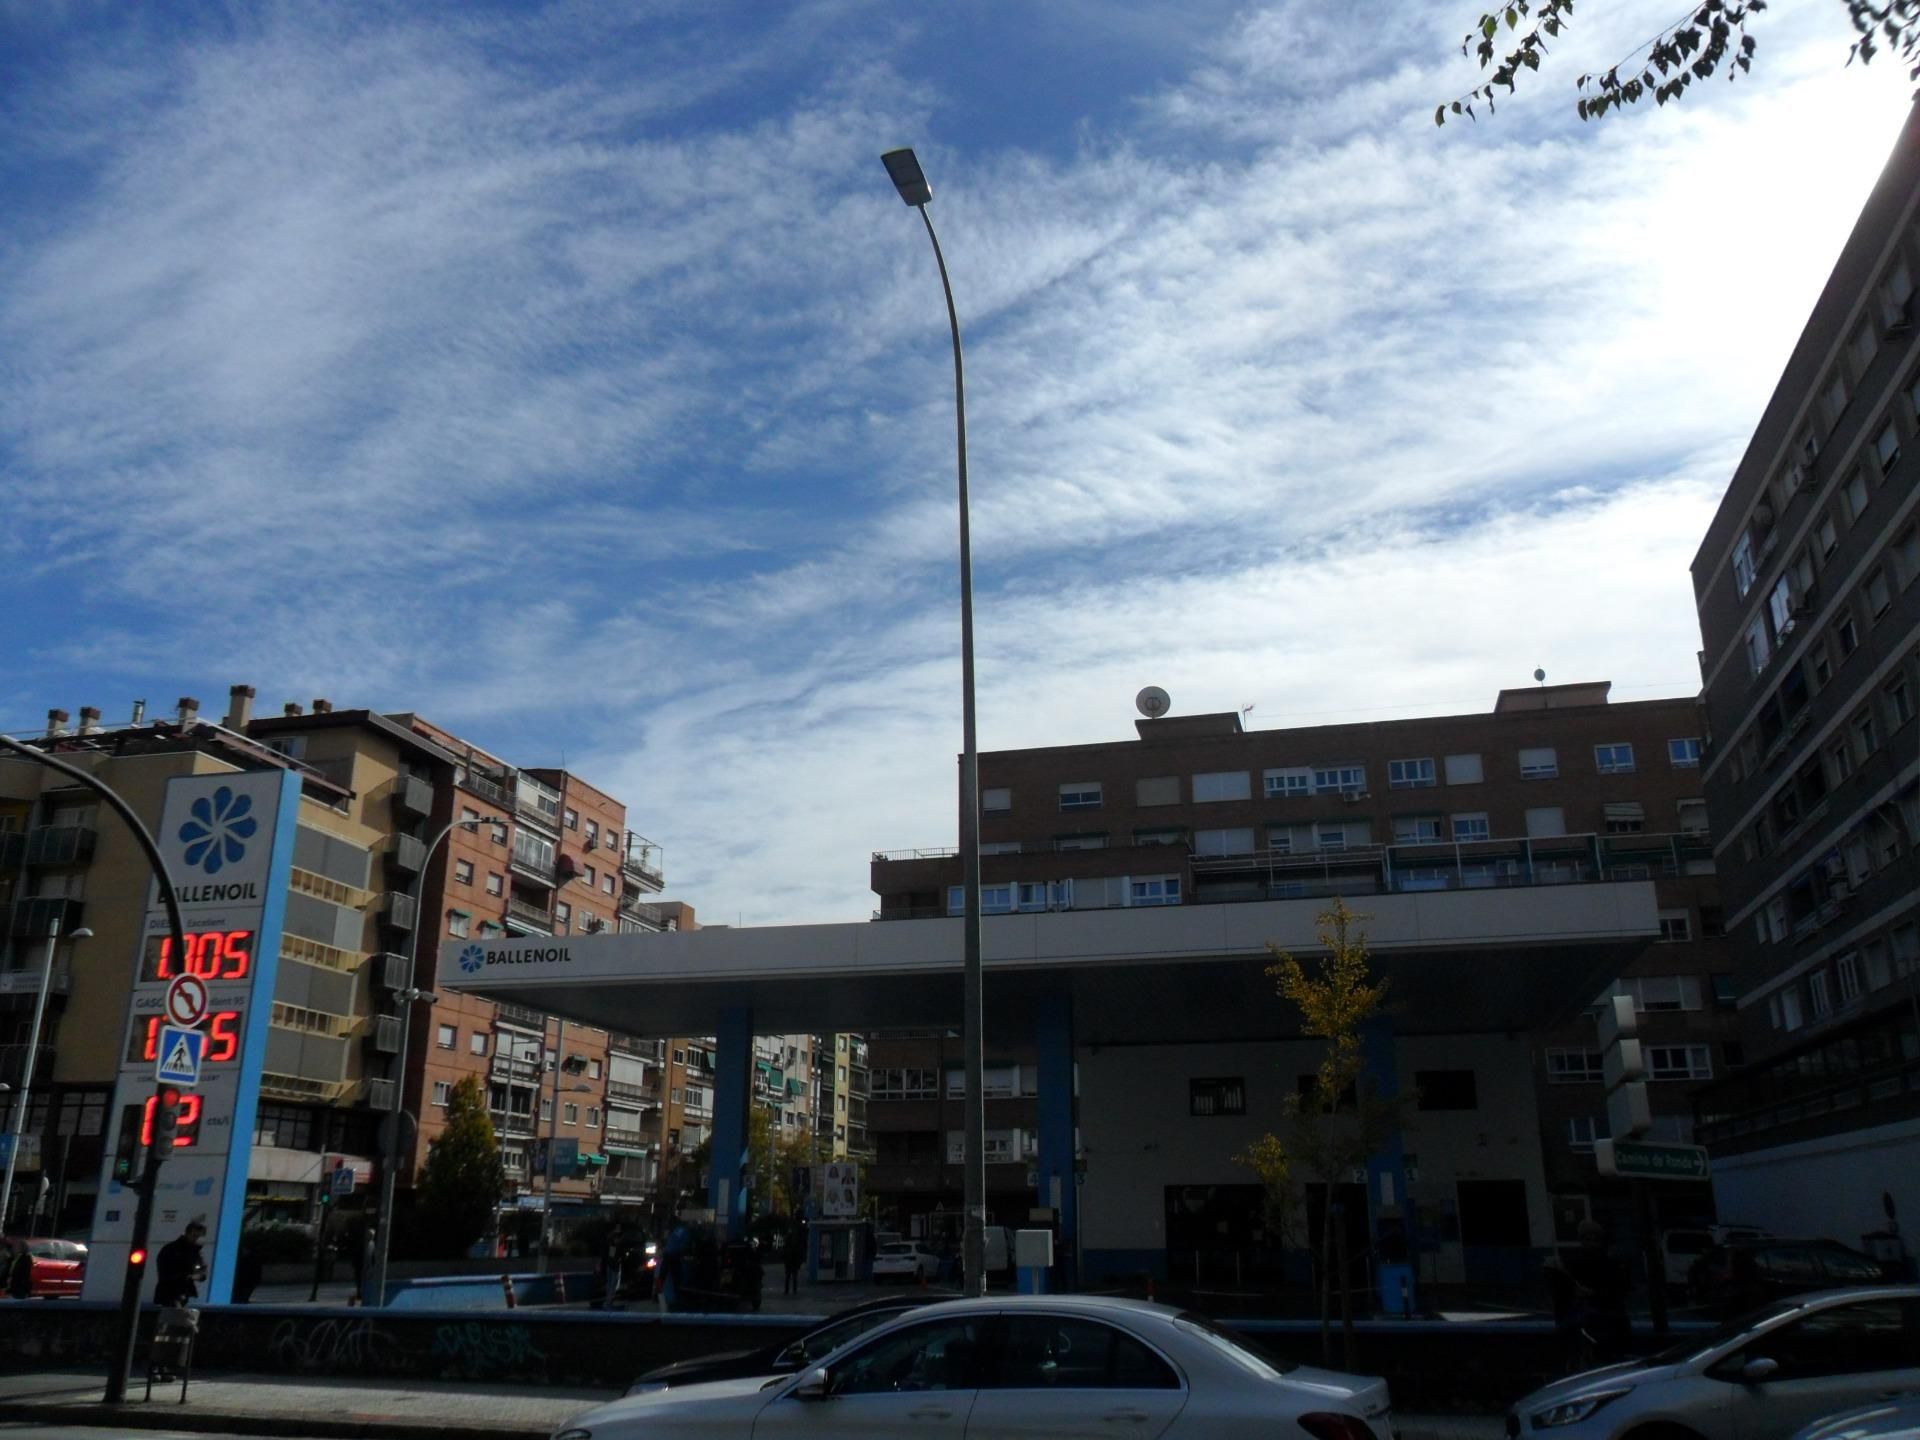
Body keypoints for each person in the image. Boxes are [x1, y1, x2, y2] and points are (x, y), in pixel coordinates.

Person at [154, 1220, 208, 1308]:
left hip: (185, 1294)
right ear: (187, 1234)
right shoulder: (172, 1249)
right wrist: (190, 1276)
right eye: (194, 1236)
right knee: (174, 1314)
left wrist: (198, 1274)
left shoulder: (195, 1251)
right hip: (171, 1294)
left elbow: (202, 1272)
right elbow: (166, 1274)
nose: (196, 1239)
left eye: (199, 1237)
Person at [603, 1223, 627, 1306]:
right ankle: (609, 1301)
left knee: (611, 1283)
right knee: (612, 1284)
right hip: (613, 1265)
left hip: (612, 1265)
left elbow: (611, 1255)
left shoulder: (613, 1241)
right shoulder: (614, 1243)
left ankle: (609, 1300)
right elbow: (612, 1255)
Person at [782, 1224, 803, 1296]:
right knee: (793, 1277)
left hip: (790, 1263)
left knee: (789, 1277)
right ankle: (793, 1290)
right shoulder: (795, 1243)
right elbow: (798, 1255)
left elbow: (785, 1254)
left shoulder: (789, 1245)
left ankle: (788, 1290)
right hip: (792, 1263)